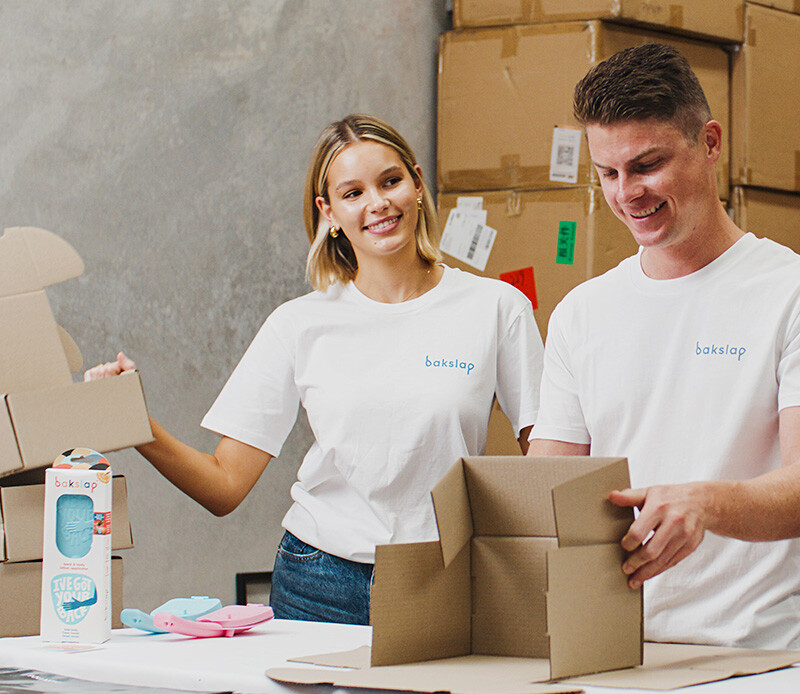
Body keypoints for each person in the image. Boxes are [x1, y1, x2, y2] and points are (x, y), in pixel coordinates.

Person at [86, 114, 543, 626]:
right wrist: (135, 422)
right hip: (317, 583)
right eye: (353, 192)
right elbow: (224, 487)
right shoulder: (299, 324)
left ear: (416, 183)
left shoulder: (496, 307)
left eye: (390, 181)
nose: (378, 203)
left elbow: (549, 460)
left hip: (447, 576)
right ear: (328, 211)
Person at [528, 43, 800, 650]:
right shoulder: (582, 314)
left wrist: (705, 502)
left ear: (709, 142)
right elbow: (546, 491)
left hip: (760, 655)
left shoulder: (788, 293)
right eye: (608, 173)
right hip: (613, 650)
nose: (627, 193)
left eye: (647, 165)